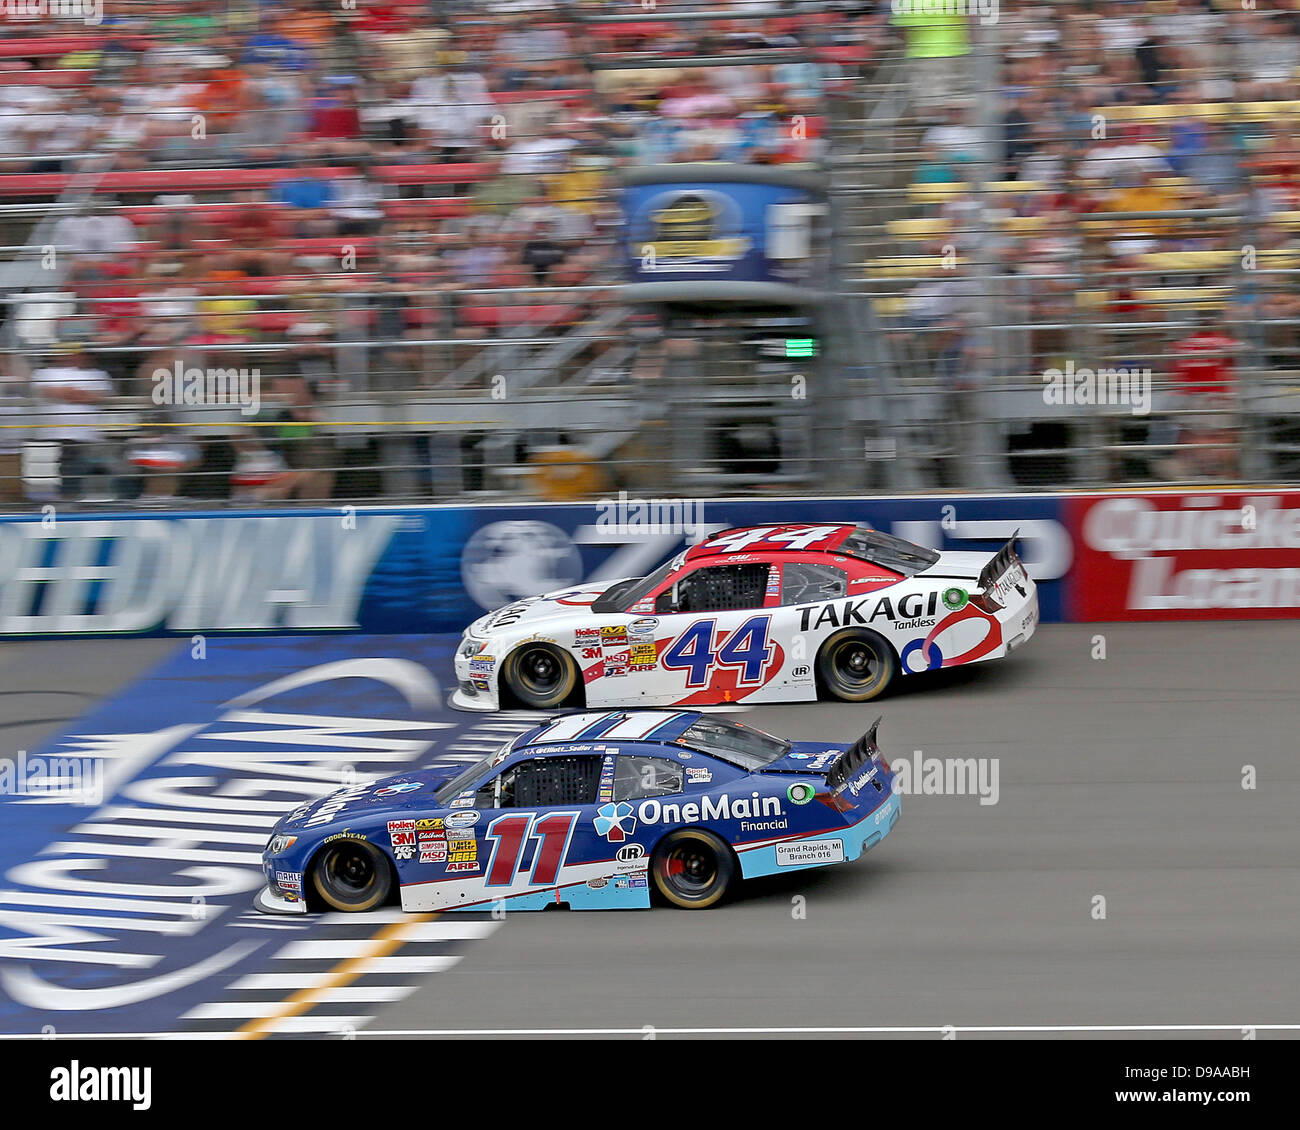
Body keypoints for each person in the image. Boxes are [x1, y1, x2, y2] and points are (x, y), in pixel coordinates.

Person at [30, 343, 117, 501]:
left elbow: (99, 396)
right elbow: (47, 392)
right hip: (53, 434)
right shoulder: (44, 373)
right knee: (61, 467)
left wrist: (68, 393)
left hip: (86, 435)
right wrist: (74, 394)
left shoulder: (98, 374)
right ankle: (63, 500)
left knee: (81, 467)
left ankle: (74, 500)